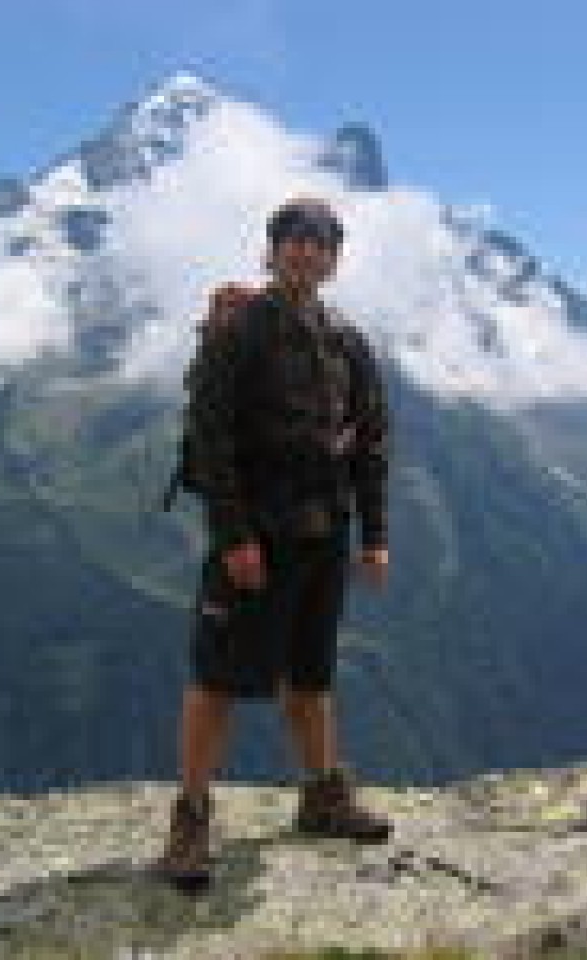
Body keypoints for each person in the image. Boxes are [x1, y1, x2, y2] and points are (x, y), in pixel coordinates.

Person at [151, 197, 393, 893]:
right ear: (273, 248)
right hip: (257, 536)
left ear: (335, 260)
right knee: (218, 680)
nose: (308, 254)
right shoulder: (241, 329)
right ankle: (190, 820)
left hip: (323, 533)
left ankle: (322, 795)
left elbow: (372, 441)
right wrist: (233, 536)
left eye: (321, 245)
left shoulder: (345, 339)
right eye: (296, 241)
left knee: (311, 676)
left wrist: (374, 534)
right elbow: (212, 438)